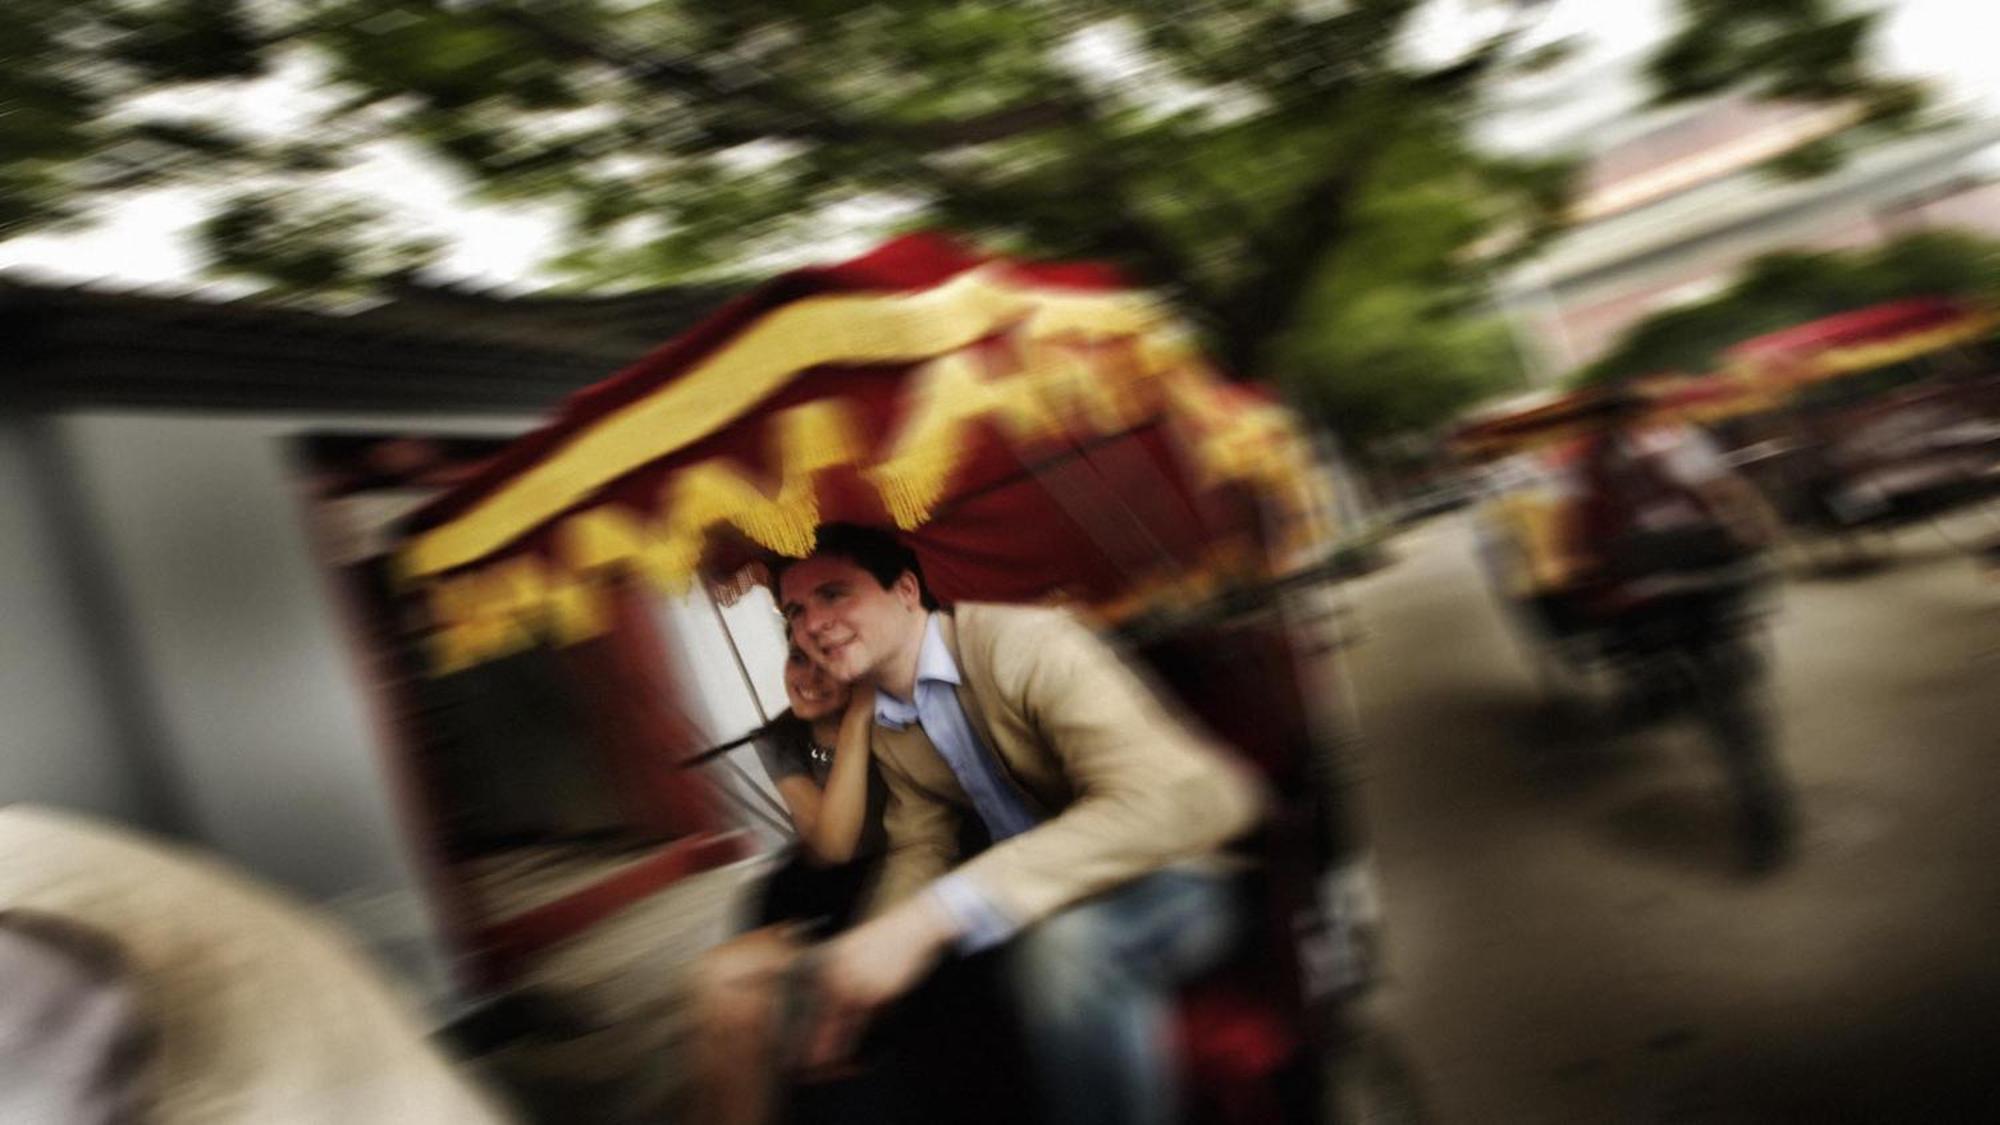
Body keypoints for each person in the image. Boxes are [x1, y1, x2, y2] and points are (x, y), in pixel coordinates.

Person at [774, 524, 1266, 1125]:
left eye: (833, 594)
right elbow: (921, 846)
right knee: (926, 998)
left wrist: (934, 917)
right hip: (1044, 895)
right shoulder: (888, 720)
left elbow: (1166, 802)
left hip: (1176, 875)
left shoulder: (1025, 643)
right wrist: (871, 960)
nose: (811, 626)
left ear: (905, 590)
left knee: (1062, 946)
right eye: (795, 612)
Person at [690, 643, 882, 1125]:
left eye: (827, 663)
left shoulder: (894, 723)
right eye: (798, 658)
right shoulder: (780, 738)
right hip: (823, 891)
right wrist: (855, 719)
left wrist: (860, 719)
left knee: (729, 982)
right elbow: (828, 844)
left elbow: (846, 847)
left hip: (888, 889)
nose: (808, 677)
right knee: (718, 988)